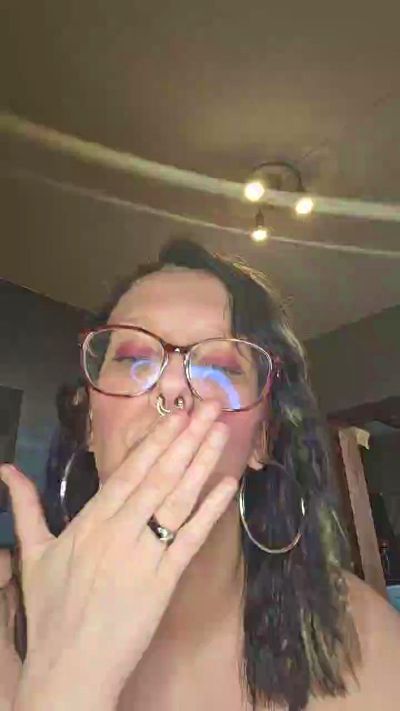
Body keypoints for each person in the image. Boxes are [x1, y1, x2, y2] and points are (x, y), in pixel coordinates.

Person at [1, 239, 399, 711]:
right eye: (133, 359)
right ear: (89, 421)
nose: (172, 387)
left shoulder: (366, 641)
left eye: (220, 368)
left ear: (261, 439)